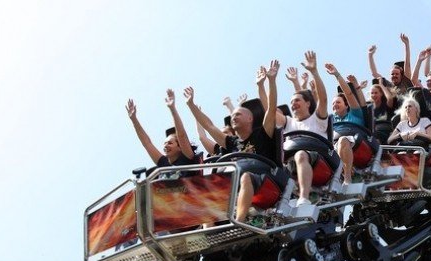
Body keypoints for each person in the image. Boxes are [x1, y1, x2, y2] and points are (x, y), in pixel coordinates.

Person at [185, 60, 281, 221]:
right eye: (232, 116)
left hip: (264, 180)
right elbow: (208, 126)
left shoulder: (263, 133)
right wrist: (191, 105)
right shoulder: (231, 143)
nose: (233, 118)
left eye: (238, 114)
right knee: (207, 188)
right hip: (235, 181)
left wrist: (270, 81)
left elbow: (271, 108)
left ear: (250, 118)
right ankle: (208, 234)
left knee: (245, 178)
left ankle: (239, 222)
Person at [275, 51, 329, 207]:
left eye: (297, 100)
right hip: (291, 160)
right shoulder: (289, 122)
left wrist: (314, 72)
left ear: (308, 103)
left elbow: (323, 98)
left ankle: (304, 198)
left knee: (300, 155)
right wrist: (268, 82)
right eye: (291, 101)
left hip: (316, 157)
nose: (293, 104)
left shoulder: (317, 119)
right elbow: (270, 110)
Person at [126, 89, 199, 174]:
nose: (166, 146)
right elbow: (147, 143)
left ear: (180, 147)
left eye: (170, 143)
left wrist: (172, 108)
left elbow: (181, 135)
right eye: (165, 143)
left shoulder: (188, 157)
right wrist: (134, 119)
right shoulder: (164, 164)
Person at [325, 63, 367, 185]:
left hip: (353, 140)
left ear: (346, 105)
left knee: (343, 140)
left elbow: (348, 94)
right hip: (334, 144)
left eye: (338, 102)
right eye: (333, 104)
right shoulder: (331, 120)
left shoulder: (355, 113)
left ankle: (346, 178)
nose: (334, 105)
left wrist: (337, 75)